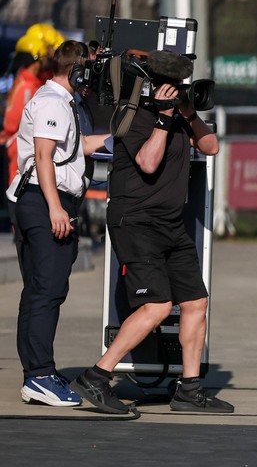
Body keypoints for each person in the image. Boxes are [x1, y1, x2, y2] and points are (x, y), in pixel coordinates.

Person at [72, 50, 233, 414]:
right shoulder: (133, 117)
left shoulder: (179, 117)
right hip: (136, 220)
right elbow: (147, 163)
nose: (178, 93)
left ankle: (189, 389)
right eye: (173, 88)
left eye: (182, 88)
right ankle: (96, 377)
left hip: (168, 224)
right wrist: (162, 119)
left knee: (195, 301)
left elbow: (211, 146)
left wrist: (189, 114)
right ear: (156, 88)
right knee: (158, 305)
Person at [13, 41, 108, 406]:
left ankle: (37, 372)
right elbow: (43, 155)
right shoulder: (53, 101)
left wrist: (118, 139)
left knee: (39, 291)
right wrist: (55, 208)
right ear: (78, 71)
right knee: (47, 291)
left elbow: (75, 145)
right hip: (44, 201)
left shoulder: (59, 101)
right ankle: (38, 376)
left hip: (42, 200)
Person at [2, 26, 64, 186]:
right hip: (21, 144)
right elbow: (14, 121)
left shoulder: (29, 80)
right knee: (18, 187)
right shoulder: (27, 86)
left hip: (23, 143)